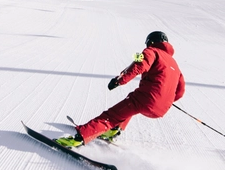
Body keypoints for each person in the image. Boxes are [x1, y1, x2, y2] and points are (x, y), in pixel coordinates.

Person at [56, 31, 185, 147]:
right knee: (131, 101)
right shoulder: (175, 64)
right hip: (162, 108)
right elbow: (180, 92)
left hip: (146, 99)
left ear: (150, 42)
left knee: (111, 116)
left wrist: (119, 80)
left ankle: (79, 138)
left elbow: (139, 65)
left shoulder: (151, 51)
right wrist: (164, 98)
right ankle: (114, 130)